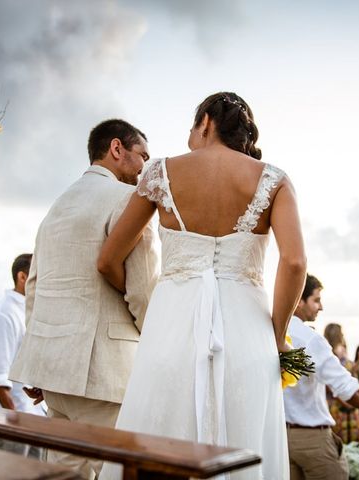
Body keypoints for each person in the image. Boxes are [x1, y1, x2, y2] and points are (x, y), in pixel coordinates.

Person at [97, 92, 307, 480]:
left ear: (206, 122)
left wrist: (152, 302)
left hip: (170, 328)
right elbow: (294, 263)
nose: (189, 140)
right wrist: (277, 335)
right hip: (248, 334)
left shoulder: (159, 172)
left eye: (192, 129)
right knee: (245, 443)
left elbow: (108, 259)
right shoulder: (274, 180)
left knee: (156, 437)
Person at [9, 119, 159, 479]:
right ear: (116, 148)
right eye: (142, 155)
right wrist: (157, 340)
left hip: (55, 379)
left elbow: (35, 286)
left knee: (63, 476)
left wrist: (39, 360)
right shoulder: (128, 201)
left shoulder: (57, 206)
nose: (144, 169)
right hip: (106, 375)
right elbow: (142, 290)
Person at [283, 275, 359, 480]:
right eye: (316, 300)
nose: (320, 307)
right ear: (298, 300)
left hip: (280, 438)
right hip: (312, 439)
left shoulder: (270, 331)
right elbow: (346, 387)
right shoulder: (309, 338)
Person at [0, 254, 45, 457]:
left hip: (36, 418)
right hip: (13, 421)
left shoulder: (30, 311)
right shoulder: (3, 314)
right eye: (37, 275)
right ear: (22, 277)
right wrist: (16, 422)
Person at [323, 324, 359, 443]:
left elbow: (348, 372)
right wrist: (345, 403)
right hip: (337, 402)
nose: (343, 335)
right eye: (341, 332)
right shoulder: (330, 352)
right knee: (339, 438)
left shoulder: (342, 350)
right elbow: (328, 383)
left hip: (348, 397)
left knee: (352, 439)